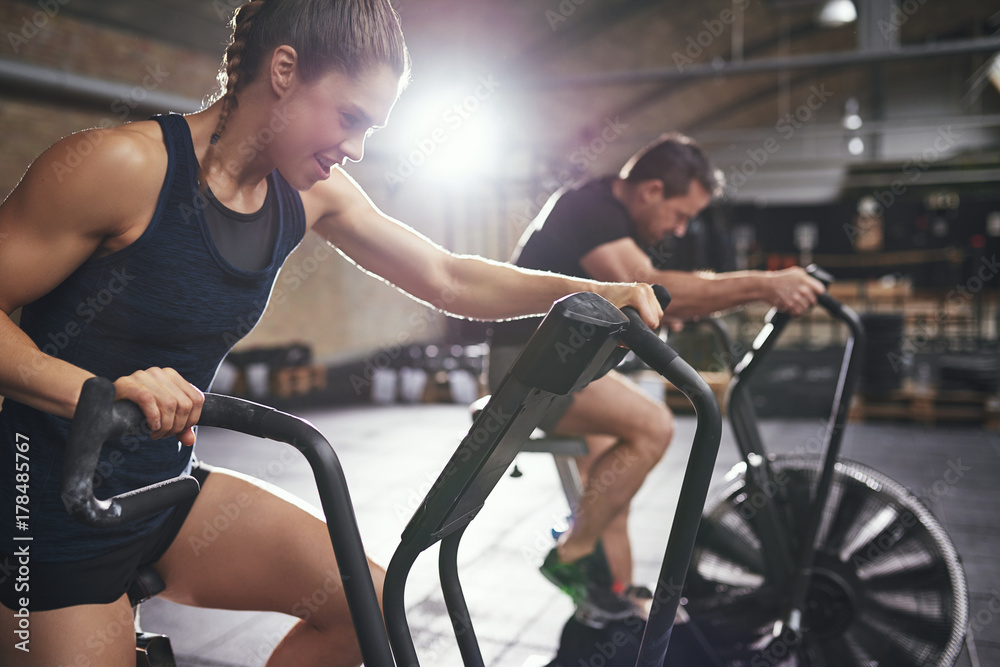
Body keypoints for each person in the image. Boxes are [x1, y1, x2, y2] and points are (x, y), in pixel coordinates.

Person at [0, 2, 664, 665]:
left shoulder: (311, 192)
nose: (357, 148)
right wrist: (96, 391)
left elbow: (447, 276)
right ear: (284, 70)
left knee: (369, 611)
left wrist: (592, 292)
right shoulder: (121, 166)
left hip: (163, 489)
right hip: (49, 514)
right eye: (351, 118)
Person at [488, 132, 825, 615]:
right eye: (680, 215)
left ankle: (612, 605)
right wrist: (766, 284)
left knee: (611, 500)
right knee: (652, 426)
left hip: (571, 368)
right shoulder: (591, 210)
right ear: (650, 191)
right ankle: (569, 555)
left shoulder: (610, 211)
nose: (682, 230)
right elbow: (655, 289)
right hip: (530, 366)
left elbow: (648, 298)